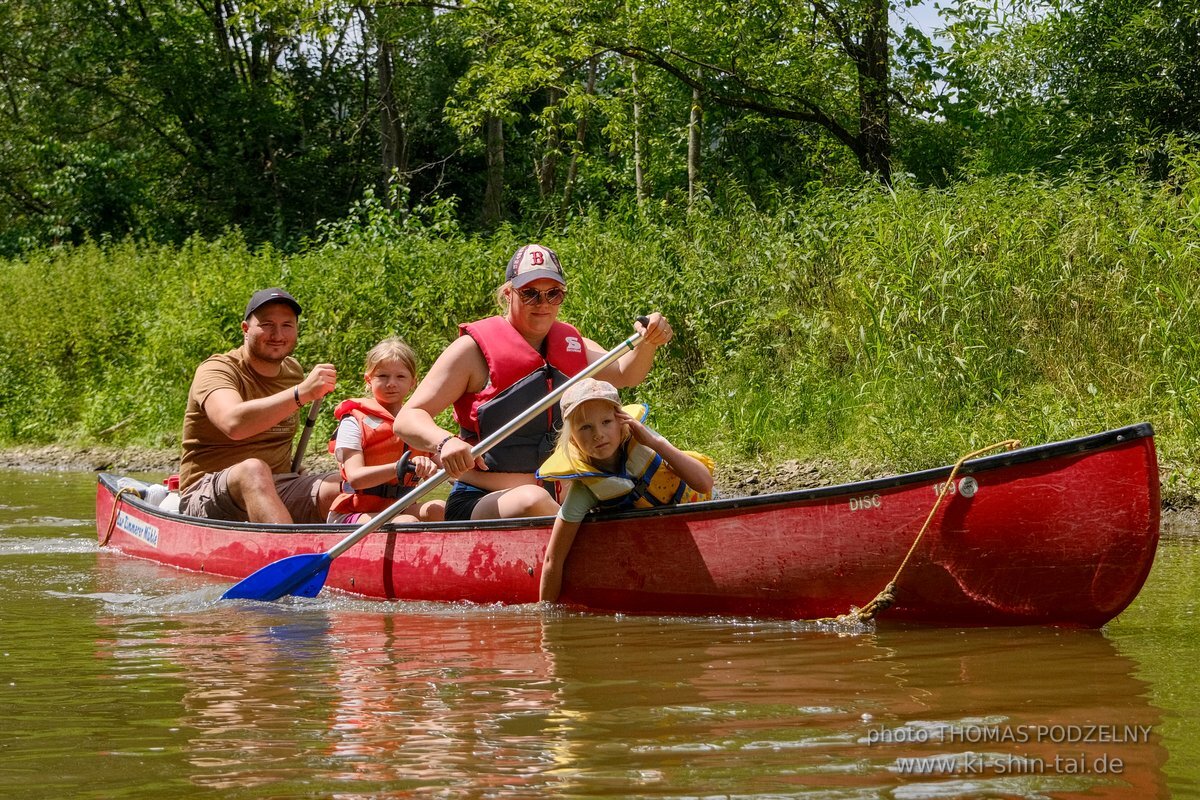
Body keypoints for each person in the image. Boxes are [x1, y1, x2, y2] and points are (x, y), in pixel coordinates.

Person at [393, 243, 674, 521]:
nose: (543, 304)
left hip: (565, 497)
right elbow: (407, 418)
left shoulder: (572, 344)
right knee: (533, 498)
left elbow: (626, 373)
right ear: (508, 294)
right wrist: (445, 442)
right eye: (530, 294)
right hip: (483, 498)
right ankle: (584, 537)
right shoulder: (470, 352)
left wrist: (648, 342)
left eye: (553, 294)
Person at [534, 378, 715, 602]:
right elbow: (554, 559)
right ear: (572, 437)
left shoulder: (647, 445)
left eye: (606, 422)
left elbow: (704, 484)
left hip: (703, 528)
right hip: (656, 553)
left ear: (621, 422)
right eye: (585, 427)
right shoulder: (585, 490)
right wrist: (548, 621)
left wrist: (656, 443)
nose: (598, 434)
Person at [179, 288, 339, 524]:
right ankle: (288, 554)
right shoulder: (217, 370)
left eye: (287, 325)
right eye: (267, 324)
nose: (277, 334)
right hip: (205, 494)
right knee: (253, 470)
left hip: (278, 486)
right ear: (245, 329)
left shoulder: (293, 371)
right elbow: (234, 424)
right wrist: (301, 393)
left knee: (343, 486)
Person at [327, 337, 445, 524]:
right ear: (368, 380)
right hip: (353, 513)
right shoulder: (353, 421)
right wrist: (401, 466)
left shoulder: (419, 423)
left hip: (401, 507)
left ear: (413, 382)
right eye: (382, 376)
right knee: (406, 522)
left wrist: (433, 469)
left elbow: (446, 466)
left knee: (439, 507)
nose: (391, 383)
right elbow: (356, 478)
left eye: (400, 377)